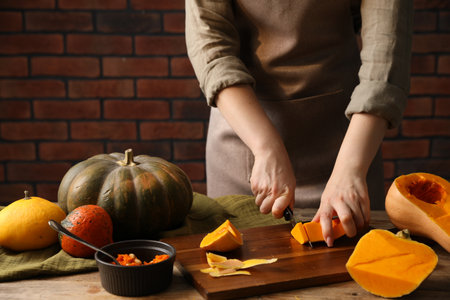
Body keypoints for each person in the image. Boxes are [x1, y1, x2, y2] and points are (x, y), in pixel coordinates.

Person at [185, 0, 413, 246]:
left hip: (350, 141)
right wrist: (266, 148)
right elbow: (212, 50)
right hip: (242, 139)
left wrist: (350, 169)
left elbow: (386, 56)